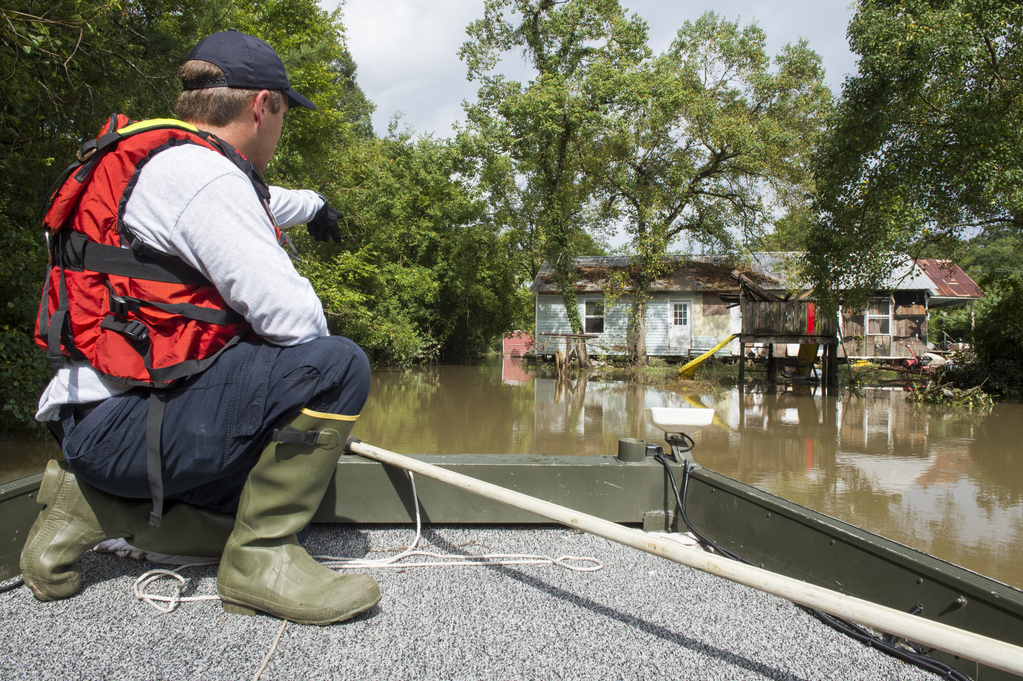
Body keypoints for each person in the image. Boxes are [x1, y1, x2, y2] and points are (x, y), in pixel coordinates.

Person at [20, 30, 381, 626]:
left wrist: (316, 206)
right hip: (126, 429)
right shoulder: (207, 179)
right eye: (284, 112)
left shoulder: (169, 162)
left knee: (250, 499)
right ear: (263, 105)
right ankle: (259, 562)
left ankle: (86, 505)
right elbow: (297, 324)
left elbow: (264, 197)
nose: (282, 127)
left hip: (96, 422)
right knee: (335, 364)